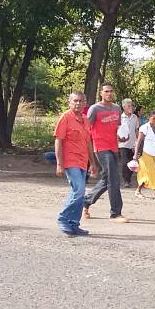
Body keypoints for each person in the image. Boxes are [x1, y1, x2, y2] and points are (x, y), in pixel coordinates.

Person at [54, 92, 97, 237]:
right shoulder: (65, 117)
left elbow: (89, 142)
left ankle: (73, 224)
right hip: (70, 160)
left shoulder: (85, 119)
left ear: (85, 103)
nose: (78, 103)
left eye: (81, 101)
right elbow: (58, 140)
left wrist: (93, 163)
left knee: (79, 191)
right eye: (75, 101)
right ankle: (63, 218)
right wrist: (59, 163)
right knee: (79, 190)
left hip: (83, 161)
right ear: (69, 102)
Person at [83, 83, 126, 222]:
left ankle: (85, 202)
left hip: (114, 146)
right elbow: (86, 129)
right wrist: (87, 155)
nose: (109, 94)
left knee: (107, 179)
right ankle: (115, 213)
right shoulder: (94, 109)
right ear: (101, 93)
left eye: (111, 91)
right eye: (106, 91)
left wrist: (121, 136)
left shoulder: (117, 108)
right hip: (100, 147)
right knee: (114, 178)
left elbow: (117, 128)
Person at [134, 110, 155, 201]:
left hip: (154, 154)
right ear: (149, 118)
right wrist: (135, 154)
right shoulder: (144, 127)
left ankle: (138, 191)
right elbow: (139, 141)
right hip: (145, 154)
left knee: (146, 174)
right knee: (153, 173)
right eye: (154, 118)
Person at [118, 99, 139, 188]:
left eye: (132, 105)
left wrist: (138, 141)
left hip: (133, 143)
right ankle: (126, 180)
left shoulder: (135, 117)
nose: (131, 107)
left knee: (132, 162)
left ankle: (128, 178)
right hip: (123, 144)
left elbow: (136, 130)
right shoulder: (120, 117)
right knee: (125, 162)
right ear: (124, 107)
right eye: (129, 106)